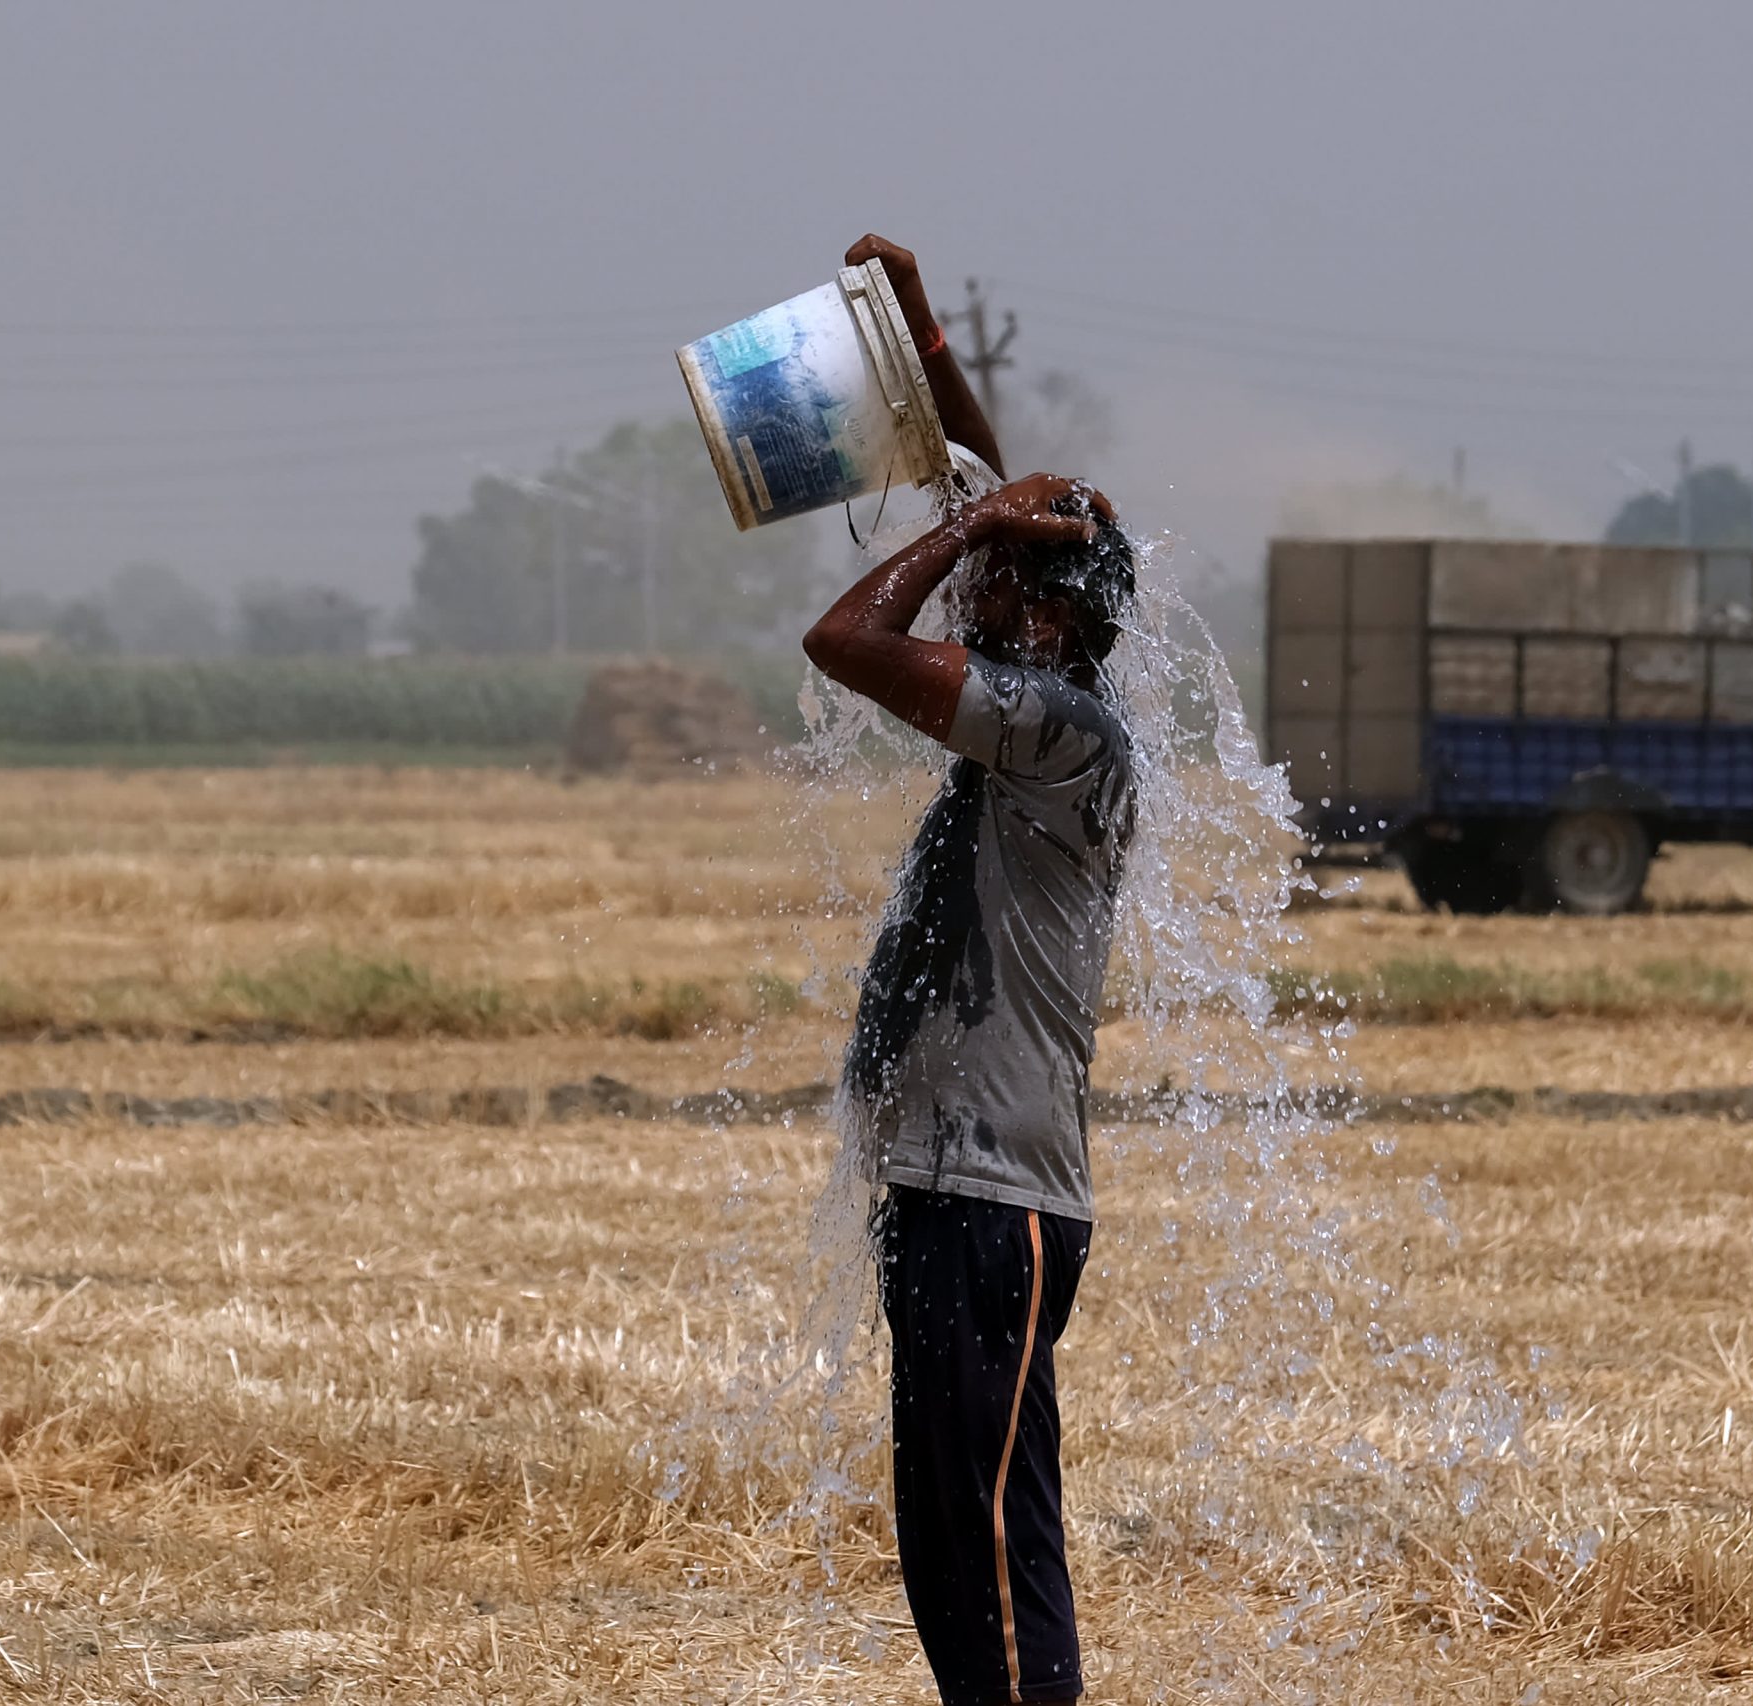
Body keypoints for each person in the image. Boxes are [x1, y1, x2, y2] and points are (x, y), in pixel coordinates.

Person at [803, 234, 1137, 1706]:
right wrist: (927, 340)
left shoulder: (1061, 730)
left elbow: (844, 637)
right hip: (951, 1192)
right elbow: (977, 505)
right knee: (957, 1551)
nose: (978, 592)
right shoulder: (1048, 698)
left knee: (992, 1550)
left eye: (1006, 581)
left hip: (997, 1206)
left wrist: (966, 528)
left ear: (1056, 624)